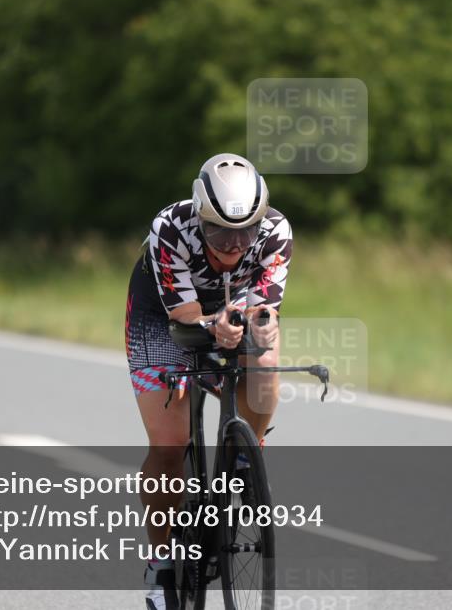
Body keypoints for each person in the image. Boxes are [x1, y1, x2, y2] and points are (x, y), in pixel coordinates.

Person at [125, 153, 292, 610]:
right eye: (220, 231)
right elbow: (184, 319)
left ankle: (247, 452)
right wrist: (213, 328)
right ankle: (160, 563)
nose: (235, 244)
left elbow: (264, 306)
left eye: (246, 231)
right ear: (200, 217)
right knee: (170, 443)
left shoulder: (277, 230)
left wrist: (250, 327)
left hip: (231, 307)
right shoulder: (171, 227)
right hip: (163, 318)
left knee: (265, 342)